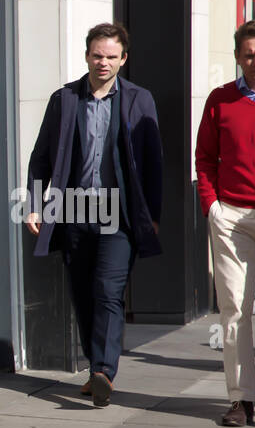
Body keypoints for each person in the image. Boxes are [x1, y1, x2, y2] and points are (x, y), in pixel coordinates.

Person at [25, 22, 163, 407]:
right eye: (97, 55)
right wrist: (34, 203)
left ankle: (104, 370)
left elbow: (154, 161)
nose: (103, 62)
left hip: (118, 213)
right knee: (83, 294)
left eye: (111, 56)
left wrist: (153, 214)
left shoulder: (139, 99)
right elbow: (41, 158)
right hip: (73, 210)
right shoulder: (65, 99)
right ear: (87, 56)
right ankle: (94, 368)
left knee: (108, 290)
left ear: (124, 59)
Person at [196, 18, 255, 427]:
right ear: (238, 57)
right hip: (232, 218)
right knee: (234, 310)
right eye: (249, 54)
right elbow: (204, 157)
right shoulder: (219, 99)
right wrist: (212, 205)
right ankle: (241, 399)